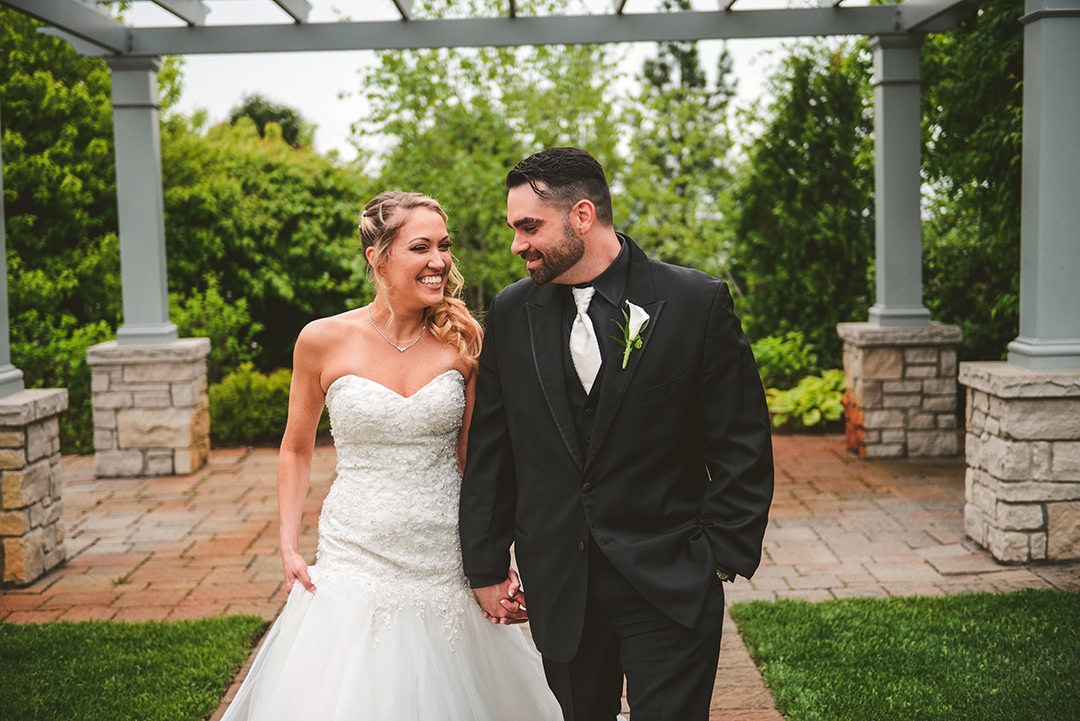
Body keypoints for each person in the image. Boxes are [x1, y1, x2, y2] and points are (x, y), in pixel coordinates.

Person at [221, 190, 563, 721]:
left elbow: (478, 457)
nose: (439, 262)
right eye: (420, 247)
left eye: (444, 247)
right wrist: (288, 544)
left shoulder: (464, 340)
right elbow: (295, 446)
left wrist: (498, 554)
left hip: (444, 552)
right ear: (376, 257)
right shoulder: (322, 340)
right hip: (355, 552)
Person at [459, 147, 775, 721]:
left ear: (582, 216)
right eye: (514, 229)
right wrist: (484, 565)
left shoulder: (694, 303)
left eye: (529, 227)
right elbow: (492, 447)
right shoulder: (510, 311)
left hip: (670, 577)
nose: (517, 245)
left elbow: (742, 444)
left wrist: (717, 556)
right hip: (557, 582)